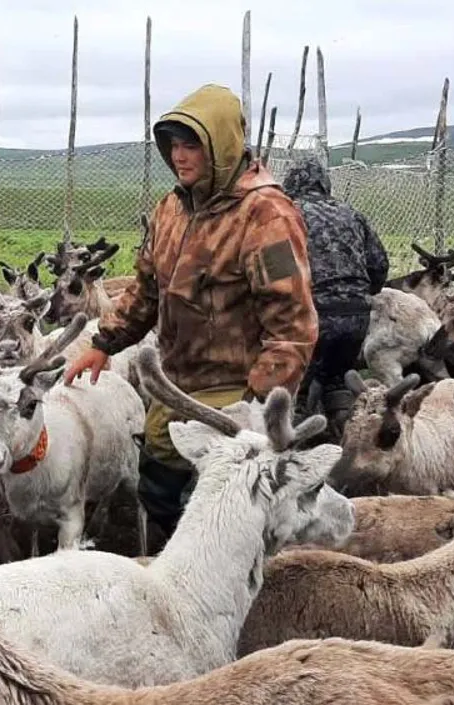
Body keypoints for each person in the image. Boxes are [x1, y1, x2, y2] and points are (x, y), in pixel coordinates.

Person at [64, 84, 318, 540]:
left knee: (224, 507)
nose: (179, 157)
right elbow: (146, 288)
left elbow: (292, 324)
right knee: (157, 485)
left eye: (192, 145)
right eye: (173, 146)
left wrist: (261, 404)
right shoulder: (172, 208)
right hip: (178, 382)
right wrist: (104, 344)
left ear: (221, 144)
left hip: (236, 388)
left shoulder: (266, 216)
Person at [281, 155, 389, 443]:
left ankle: (295, 453)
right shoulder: (351, 213)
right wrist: (359, 296)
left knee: (297, 389)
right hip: (355, 316)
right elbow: (379, 265)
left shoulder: (285, 214)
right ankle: (346, 447)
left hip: (311, 314)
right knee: (337, 380)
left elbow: (276, 272)